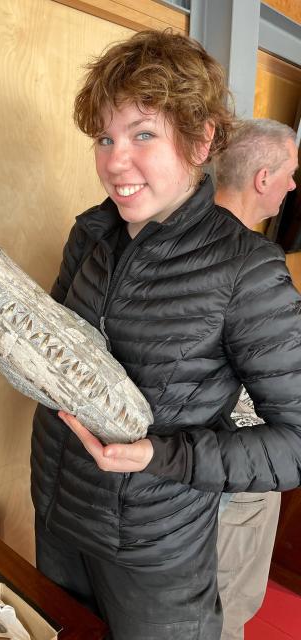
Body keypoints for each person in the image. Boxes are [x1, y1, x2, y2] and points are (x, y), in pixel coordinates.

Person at [0, 30, 301, 640]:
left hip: (154, 551)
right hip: (58, 514)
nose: (114, 161)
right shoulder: (93, 234)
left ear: (201, 138)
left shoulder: (248, 270)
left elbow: (293, 444)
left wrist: (161, 456)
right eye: (105, 137)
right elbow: (52, 354)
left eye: (143, 134)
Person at [213, 118, 298, 640]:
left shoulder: (170, 242)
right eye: (290, 173)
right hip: (240, 464)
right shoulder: (257, 264)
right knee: (228, 603)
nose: (293, 186)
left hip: (174, 466)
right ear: (263, 178)